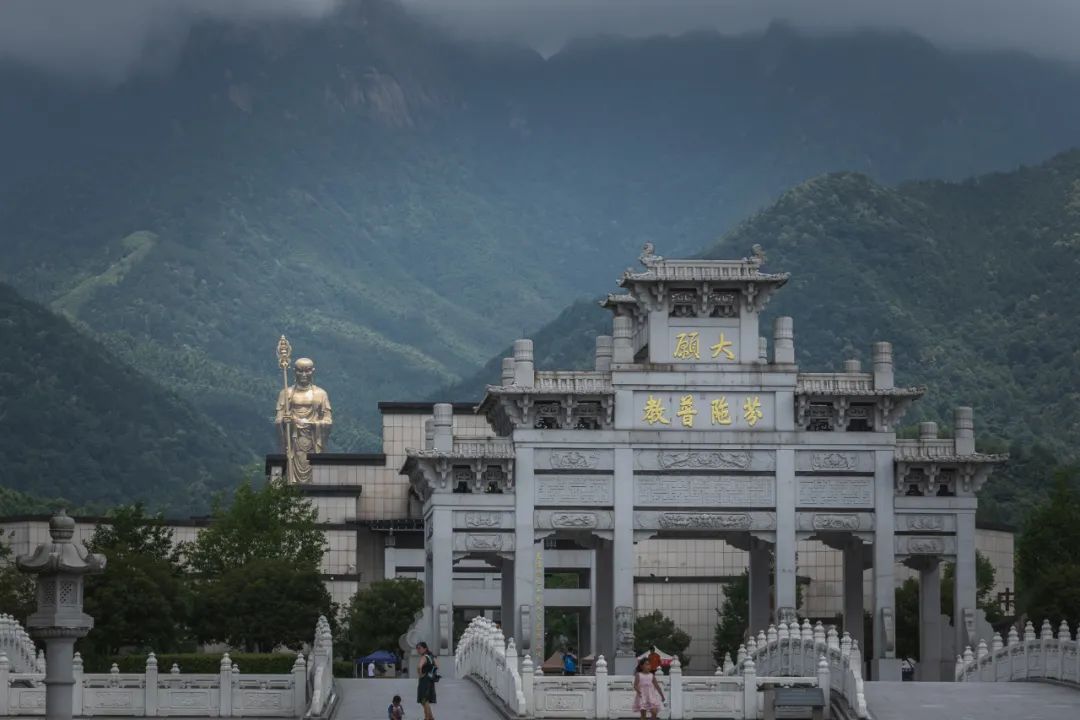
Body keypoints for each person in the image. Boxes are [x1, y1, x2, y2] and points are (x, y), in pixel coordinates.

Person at [415, 642, 438, 720]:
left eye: (419, 648)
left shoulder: (424, 657)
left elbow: (419, 667)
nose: (418, 650)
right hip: (430, 679)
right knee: (426, 699)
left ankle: (427, 718)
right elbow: (437, 666)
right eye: (417, 648)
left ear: (425, 648)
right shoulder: (431, 656)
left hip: (424, 680)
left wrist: (420, 674)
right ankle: (431, 717)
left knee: (424, 699)